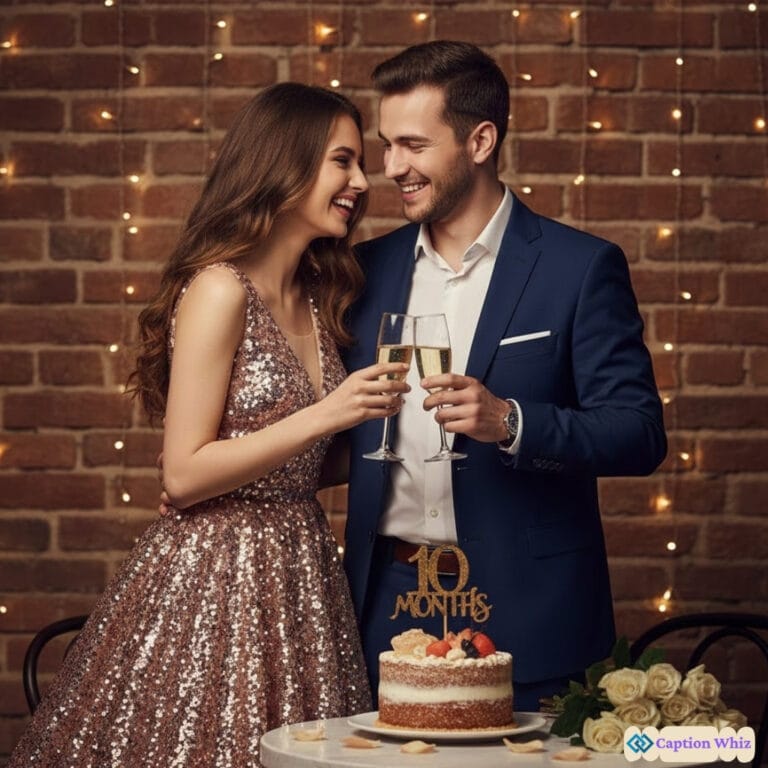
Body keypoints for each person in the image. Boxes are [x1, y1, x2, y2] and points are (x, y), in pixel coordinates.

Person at [9, 83, 410, 768]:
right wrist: (328, 413)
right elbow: (185, 473)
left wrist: (406, 432)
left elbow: (300, 464)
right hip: (214, 580)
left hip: (302, 576)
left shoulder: (320, 295)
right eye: (343, 161)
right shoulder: (221, 289)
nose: (362, 181)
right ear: (286, 164)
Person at [341, 41, 668, 711]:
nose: (390, 167)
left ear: (480, 140)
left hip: (531, 613)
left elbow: (638, 434)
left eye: (412, 145)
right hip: (385, 609)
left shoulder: (579, 267)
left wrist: (511, 422)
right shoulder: (362, 272)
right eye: (386, 145)